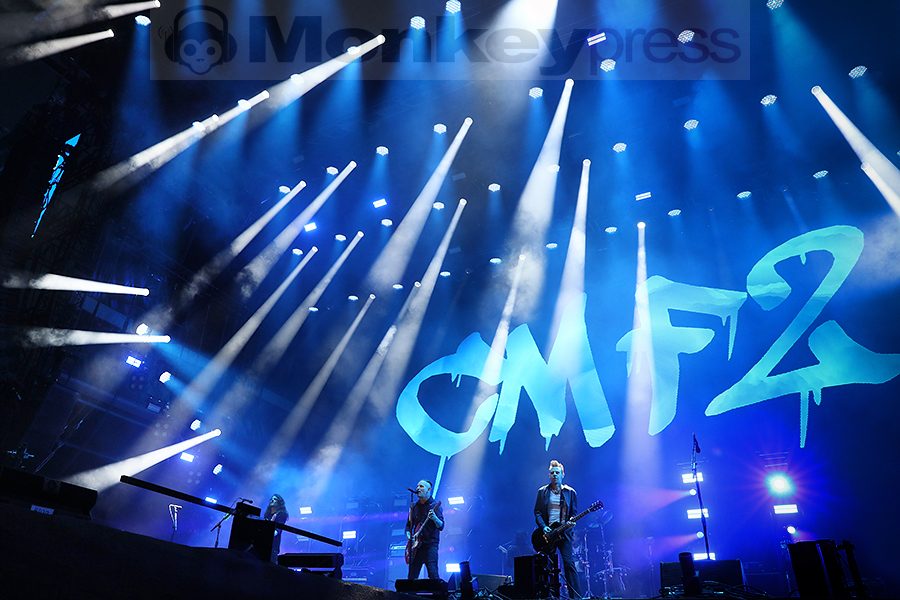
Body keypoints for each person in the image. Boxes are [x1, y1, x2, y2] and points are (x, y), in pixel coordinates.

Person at [534, 460, 581, 599]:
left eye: (557, 472)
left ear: (563, 474)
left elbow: (574, 513)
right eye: (552, 473)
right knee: (546, 567)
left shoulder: (570, 492)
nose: (554, 475)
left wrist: (572, 523)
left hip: (564, 533)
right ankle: (549, 597)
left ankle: (576, 597)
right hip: (548, 534)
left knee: (569, 564)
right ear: (549, 475)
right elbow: (537, 512)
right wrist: (544, 528)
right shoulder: (542, 492)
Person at [406, 479, 444, 580]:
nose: (418, 488)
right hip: (416, 548)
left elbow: (441, 526)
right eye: (417, 486)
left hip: (430, 546)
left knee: (433, 574)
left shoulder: (435, 506)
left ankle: (436, 595)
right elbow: (408, 526)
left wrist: (435, 518)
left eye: (421, 486)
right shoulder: (414, 507)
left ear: (428, 489)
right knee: (411, 577)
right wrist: (410, 537)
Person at [263, 494, 289, 562]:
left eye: (275, 499)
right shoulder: (267, 514)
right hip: (263, 543)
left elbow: (278, 529)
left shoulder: (281, 514)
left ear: (279, 502)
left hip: (273, 544)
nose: (272, 500)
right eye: (271, 499)